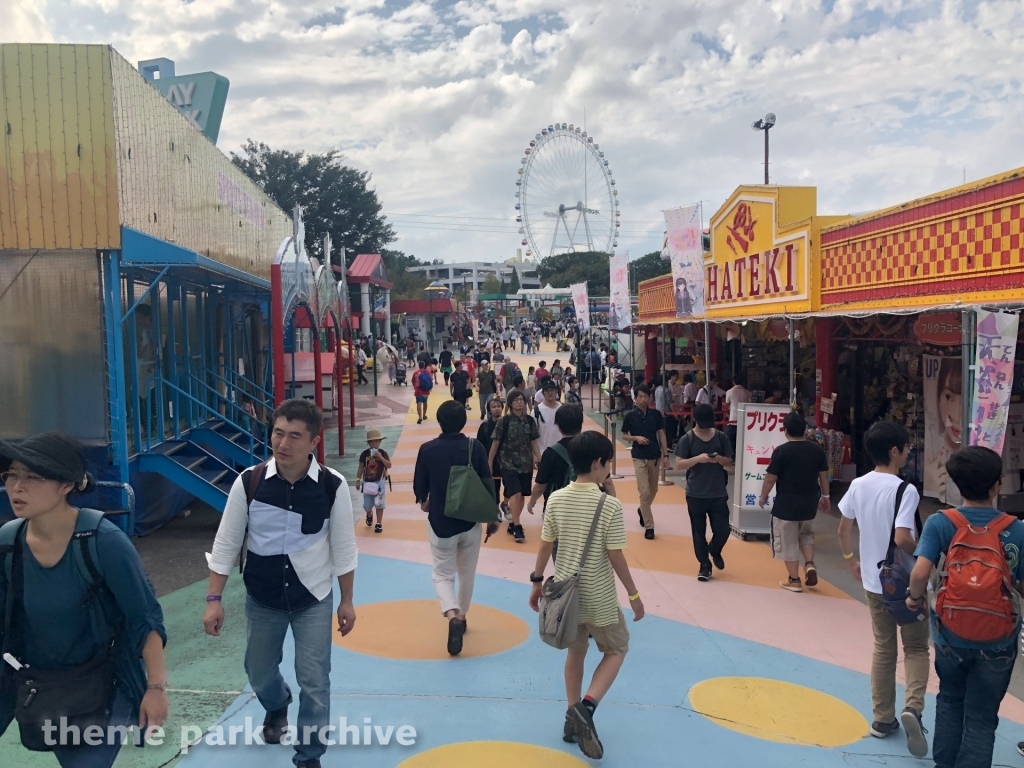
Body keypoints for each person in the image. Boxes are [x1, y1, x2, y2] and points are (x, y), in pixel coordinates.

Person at [204, 399, 358, 768]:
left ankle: (309, 756)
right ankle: (276, 703)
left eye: (294, 436)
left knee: (315, 681)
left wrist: (347, 601)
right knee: (257, 670)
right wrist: (214, 598)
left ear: (313, 442)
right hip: (263, 597)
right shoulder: (249, 482)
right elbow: (226, 542)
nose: (282, 443)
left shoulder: (332, 487)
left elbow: (344, 547)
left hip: (314, 597)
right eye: (277, 432)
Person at [0, 434, 169, 765]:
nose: (16, 487)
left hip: (104, 685)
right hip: (36, 678)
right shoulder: (9, 542)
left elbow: (144, 617)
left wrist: (155, 689)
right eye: (11, 475)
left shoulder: (103, 542)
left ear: (67, 485)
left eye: (32, 477)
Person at [528, 431, 645, 760]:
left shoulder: (556, 500)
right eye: (608, 463)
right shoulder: (609, 505)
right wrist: (634, 594)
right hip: (599, 596)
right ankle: (587, 707)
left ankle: (570, 716)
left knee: (575, 652)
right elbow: (615, 556)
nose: (609, 469)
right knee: (617, 648)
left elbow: (545, 545)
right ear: (597, 463)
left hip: (565, 594)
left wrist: (537, 582)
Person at [906, 447, 1024, 768]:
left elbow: (920, 573)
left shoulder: (941, 523)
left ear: (956, 485)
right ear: (998, 485)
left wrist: (914, 598)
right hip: (999, 639)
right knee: (983, 717)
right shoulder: (1018, 529)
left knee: (949, 703)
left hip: (950, 634)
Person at [837, 421, 928, 756]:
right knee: (917, 648)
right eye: (906, 447)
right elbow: (902, 537)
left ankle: (882, 718)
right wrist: (926, 556)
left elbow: (844, 528)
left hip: (876, 584)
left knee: (883, 647)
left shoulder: (858, 485)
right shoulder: (906, 489)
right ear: (894, 451)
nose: (908, 452)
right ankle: (913, 708)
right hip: (907, 582)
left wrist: (851, 561)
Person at [414, 400, 500, 655]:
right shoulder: (476, 447)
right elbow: (487, 482)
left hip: (441, 523)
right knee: (467, 574)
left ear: (439, 421)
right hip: (470, 521)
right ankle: (462, 617)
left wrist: (426, 500)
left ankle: (451, 613)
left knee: (442, 574)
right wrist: (492, 517)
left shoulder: (427, 449)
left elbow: (420, 487)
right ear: (464, 420)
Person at [758, 412, 830, 592]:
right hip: (810, 502)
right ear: (805, 430)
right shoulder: (816, 450)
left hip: (786, 504)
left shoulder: (782, 451)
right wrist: (826, 497)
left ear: (785, 431)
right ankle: (810, 563)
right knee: (806, 534)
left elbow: (770, 478)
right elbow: (823, 476)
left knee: (788, 540)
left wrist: (764, 495)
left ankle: (794, 579)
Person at [674, 403, 734, 580]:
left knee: (723, 529)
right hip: (695, 493)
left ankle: (714, 549)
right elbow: (679, 464)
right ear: (696, 420)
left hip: (718, 492)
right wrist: (698, 459)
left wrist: (719, 459)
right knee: (698, 531)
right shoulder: (688, 438)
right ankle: (704, 565)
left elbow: (728, 461)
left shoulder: (721, 437)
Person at [488, 390, 541, 543]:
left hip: (526, 464)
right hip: (507, 463)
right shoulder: (503, 422)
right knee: (515, 493)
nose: (519, 402)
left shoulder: (530, 421)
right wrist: (489, 462)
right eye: (516, 400)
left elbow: (534, 442)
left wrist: (539, 458)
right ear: (510, 403)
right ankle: (517, 527)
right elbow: (495, 444)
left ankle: (512, 523)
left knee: (522, 495)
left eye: (522, 400)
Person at [620, 384, 669, 540]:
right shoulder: (630, 416)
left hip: (655, 456)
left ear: (650, 398)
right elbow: (624, 435)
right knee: (644, 491)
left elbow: (662, 434)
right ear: (635, 398)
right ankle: (650, 526)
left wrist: (666, 454)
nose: (643, 399)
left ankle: (642, 509)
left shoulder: (656, 415)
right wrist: (636, 438)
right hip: (638, 456)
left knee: (654, 490)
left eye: (646, 396)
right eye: (640, 396)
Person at [356, 428, 392, 533]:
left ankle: (379, 523)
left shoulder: (383, 453)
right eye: (372, 441)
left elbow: (389, 465)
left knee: (379, 504)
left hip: (379, 482)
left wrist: (380, 457)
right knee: (367, 504)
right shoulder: (364, 454)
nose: (374, 443)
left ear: (380, 442)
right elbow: (360, 467)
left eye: (377, 441)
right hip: (367, 482)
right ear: (368, 443)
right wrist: (358, 480)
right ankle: (369, 514)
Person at [724, 375, 752, 454]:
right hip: (744, 420)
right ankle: (741, 456)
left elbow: (727, 403)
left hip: (733, 419)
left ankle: (732, 457)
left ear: (733, 381)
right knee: (742, 439)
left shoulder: (729, 392)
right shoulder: (747, 392)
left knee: (731, 439)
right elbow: (749, 404)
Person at [533, 379, 563, 454]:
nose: (549, 393)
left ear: (556, 391)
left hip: (561, 453)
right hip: (543, 453)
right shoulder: (536, 411)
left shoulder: (563, 409)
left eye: (552, 390)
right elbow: (532, 436)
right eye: (547, 391)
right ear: (543, 393)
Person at [413, 360, 432, 424]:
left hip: (418, 391)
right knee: (425, 402)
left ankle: (420, 417)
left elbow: (413, 381)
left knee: (419, 403)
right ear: (424, 366)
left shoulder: (415, 373)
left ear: (419, 366)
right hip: (426, 391)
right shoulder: (427, 372)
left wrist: (415, 387)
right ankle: (424, 415)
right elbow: (430, 379)